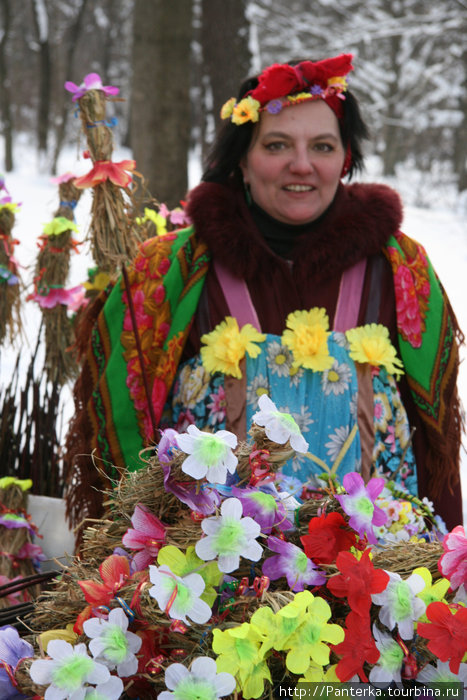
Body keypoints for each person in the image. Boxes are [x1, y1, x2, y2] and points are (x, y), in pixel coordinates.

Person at [65, 53, 464, 532]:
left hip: (374, 574)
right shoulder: (169, 271)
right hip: (211, 574)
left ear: (346, 159)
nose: (301, 165)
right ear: (242, 161)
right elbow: (121, 440)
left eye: (322, 146)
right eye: (276, 145)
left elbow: (434, 445)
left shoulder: (400, 268)